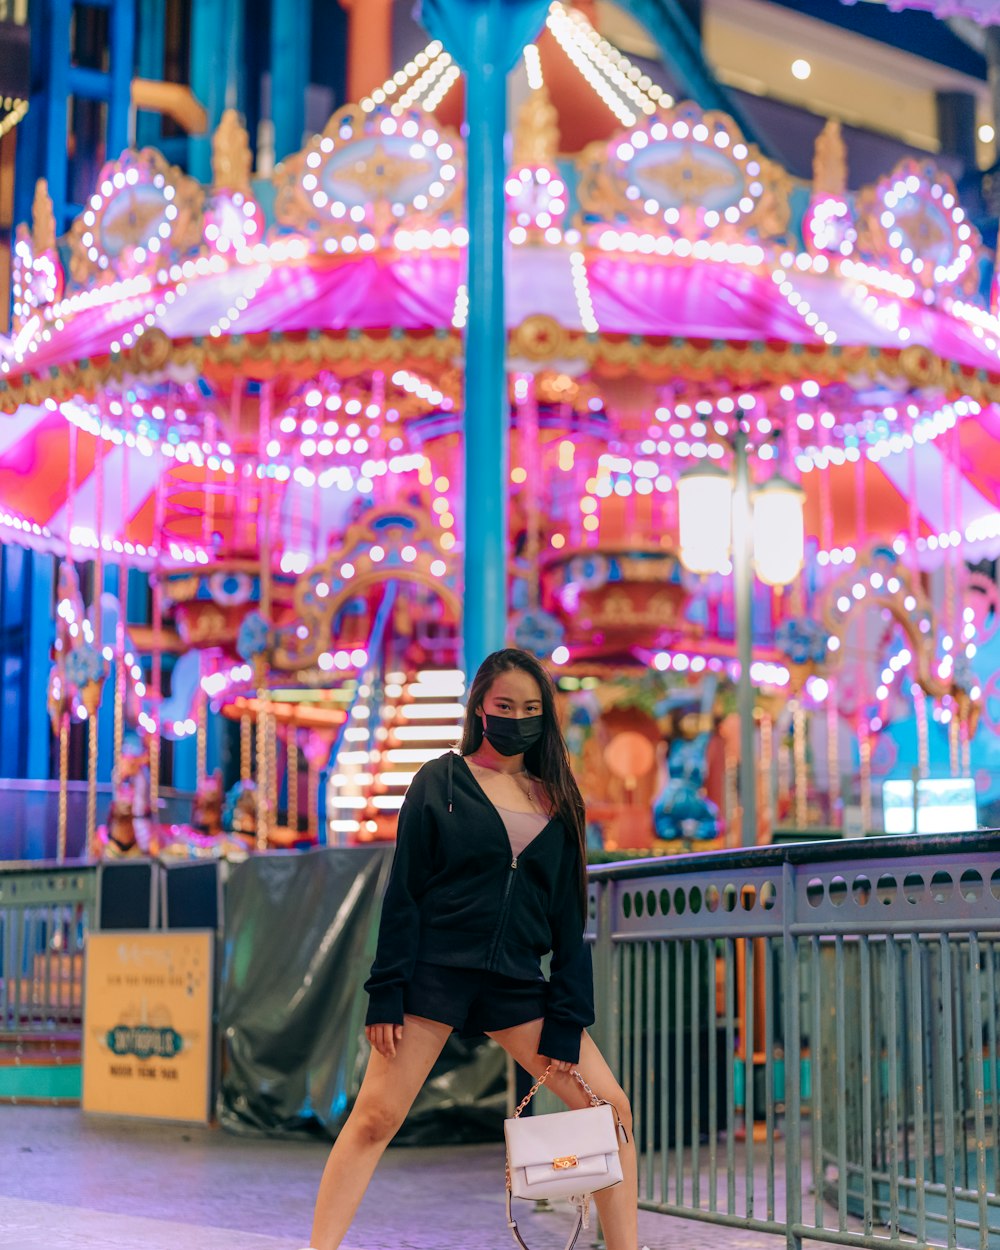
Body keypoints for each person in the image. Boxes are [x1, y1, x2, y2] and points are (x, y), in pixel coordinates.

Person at [305, 647, 639, 1250]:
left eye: (531, 708)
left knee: (612, 1111)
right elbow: (403, 893)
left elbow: (569, 923)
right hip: (434, 974)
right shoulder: (439, 781)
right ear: (481, 707)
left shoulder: (559, 800)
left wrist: (568, 1018)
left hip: (516, 983)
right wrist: (386, 993)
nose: (517, 717)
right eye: (505, 705)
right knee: (375, 1118)